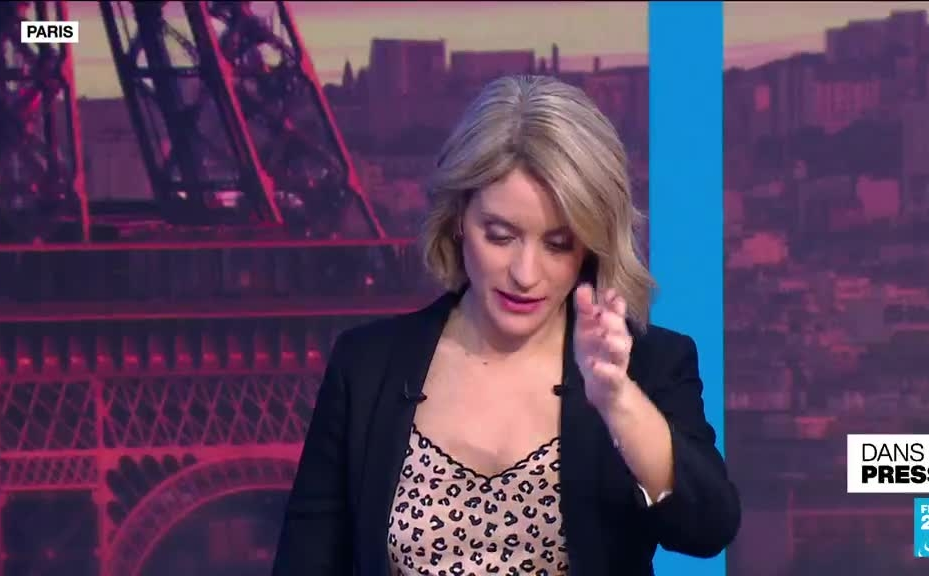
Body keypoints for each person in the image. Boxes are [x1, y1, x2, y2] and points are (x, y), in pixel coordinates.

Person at [271, 75, 740, 576]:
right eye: (499, 235)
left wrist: (619, 402)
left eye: (558, 245)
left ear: (590, 245)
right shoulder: (367, 366)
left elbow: (707, 529)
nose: (525, 273)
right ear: (458, 218)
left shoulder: (648, 365)